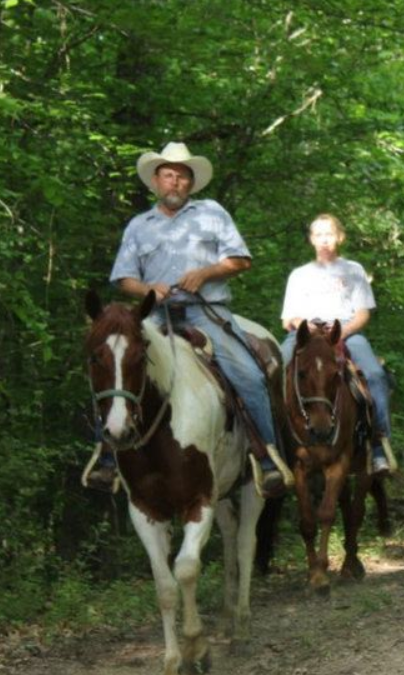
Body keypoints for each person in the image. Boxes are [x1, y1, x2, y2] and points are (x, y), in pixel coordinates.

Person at [99, 141, 289, 497]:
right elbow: (123, 278)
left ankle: (267, 457)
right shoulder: (139, 226)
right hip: (154, 316)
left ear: (191, 183)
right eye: (168, 175)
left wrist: (205, 273)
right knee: (116, 367)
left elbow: (241, 261)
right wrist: (146, 290)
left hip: (207, 313)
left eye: (182, 176)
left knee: (249, 375)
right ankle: (107, 457)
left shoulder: (212, 213)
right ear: (155, 181)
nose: (175, 182)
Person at [279, 213, 395, 475]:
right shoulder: (299, 275)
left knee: (375, 375)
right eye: (318, 234)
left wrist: (342, 333)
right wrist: (304, 326)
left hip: (345, 331)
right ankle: (273, 445)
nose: (324, 240)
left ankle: (378, 445)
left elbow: (363, 313)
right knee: (272, 372)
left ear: (340, 237)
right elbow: (287, 318)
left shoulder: (353, 270)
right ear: (311, 239)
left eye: (329, 234)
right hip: (305, 334)